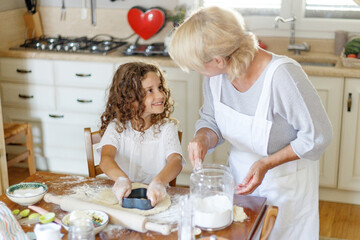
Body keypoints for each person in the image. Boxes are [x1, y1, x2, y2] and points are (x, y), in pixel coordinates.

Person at [168, 6, 332, 239]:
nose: (196, 71)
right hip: (240, 179)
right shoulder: (216, 77)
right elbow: (211, 120)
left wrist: (267, 163)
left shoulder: (281, 76)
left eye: (196, 66)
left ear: (218, 60)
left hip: (286, 185)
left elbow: (317, 136)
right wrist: (202, 138)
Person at [97, 62, 184, 207]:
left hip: (157, 200)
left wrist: (159, 182)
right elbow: (106, 158)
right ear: (130, 99)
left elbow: (176, 161)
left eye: (160, 88)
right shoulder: (117, 127)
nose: (161, 95)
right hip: (122, 199)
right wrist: (121, 179)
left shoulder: (167, 128)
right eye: (150, 90)